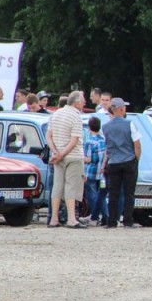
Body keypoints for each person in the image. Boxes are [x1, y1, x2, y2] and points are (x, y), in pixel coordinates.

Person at [47, 90, 89, 229]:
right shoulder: (76, 116)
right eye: (82, 100)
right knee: (71, 186)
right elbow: (74, 140)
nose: (84, 102)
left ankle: (54, 218)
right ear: (76, 102)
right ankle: (71, 219)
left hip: (57, 156)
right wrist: (62, 154)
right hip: (73, 156)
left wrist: (55, 152)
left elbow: (49, 136)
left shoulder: (55, 114)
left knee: (57, 186)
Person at [103, 97, 142, 228]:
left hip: (113, 162)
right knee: (129, 193)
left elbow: (107, 146)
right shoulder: (130, 124)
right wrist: (136, 159)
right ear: (121, 109)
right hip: (129, 161)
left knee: (113, 193)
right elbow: (137, 144)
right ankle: (127, 220)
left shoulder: (105, 126)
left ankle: (112, 221)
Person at [84, 115, 107, 226]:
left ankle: (95, 216)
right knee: (101, 196)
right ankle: (106, 216)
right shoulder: (103, 140)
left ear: (89, 127)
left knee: (92, 196)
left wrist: (80, 157)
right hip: (101, 173)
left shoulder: (89, 142)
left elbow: (89, 159)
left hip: (91, 172)